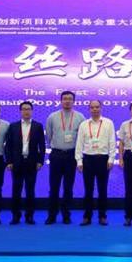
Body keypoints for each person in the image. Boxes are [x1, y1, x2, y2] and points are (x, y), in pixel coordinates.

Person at [45, 91, 85, 225]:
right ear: (61, 101)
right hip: (56, 154)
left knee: (68, 187)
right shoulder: (52, 117)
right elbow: (49, 136)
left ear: (74, 101)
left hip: (71, 155)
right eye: (65, 99)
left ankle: (66, 214)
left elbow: (82, 137)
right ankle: (52, 215)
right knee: (54, 186)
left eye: (70, 99)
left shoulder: (80, 117)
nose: (67, 101)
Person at [75, 100, 116, 226]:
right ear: (89, 109)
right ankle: (87, 216)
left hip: (103, 159)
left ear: (101, 108)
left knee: (102, 190)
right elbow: (79, 143)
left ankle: (102, 216)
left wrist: (111, 159)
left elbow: (112, 141)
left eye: (97, 107)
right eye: (92, 107)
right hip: (88, 159)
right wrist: (79, 160)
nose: (95, 109)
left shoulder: (108, 123)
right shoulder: (84, 124)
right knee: (88, 190)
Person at [5, 101, 45, 225]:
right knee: (16, 190)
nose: (26, 111)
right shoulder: (13, 126)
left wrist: (40, 161)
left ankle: (29, 216)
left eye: (28, 109)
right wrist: (9, 161)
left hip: (32, 162)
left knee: (30, 190)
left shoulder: (38, 126)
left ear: (32, 111)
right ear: (20, 111)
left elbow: (42, 145)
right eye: (24, 109)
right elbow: (8, 145)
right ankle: (15, 216)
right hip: (17, 162)